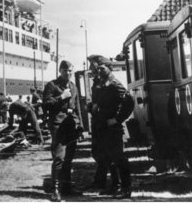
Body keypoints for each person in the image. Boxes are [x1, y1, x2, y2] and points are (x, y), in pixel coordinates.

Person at [43, 60, 84, 201]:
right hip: (58, 124)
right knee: (59, 157)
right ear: (60, 71)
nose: (68, 73)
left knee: (69, 158)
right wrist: (61, 97)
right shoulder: (52, 85)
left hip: (71, 124)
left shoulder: (73, 86)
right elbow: (46, 104)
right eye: (65, 70)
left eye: (70, 70)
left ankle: (66, 187)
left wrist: (81, 126)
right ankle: (55, 189)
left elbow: (78, 106)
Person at [94, 57, 132, 199]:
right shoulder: (104, 83)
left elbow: (129, 101)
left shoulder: (115, 84)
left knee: (119, 158)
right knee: (109, 158)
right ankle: (115, 186)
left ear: (110, 68)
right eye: (98, 68)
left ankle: (126, 188)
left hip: (113, 128)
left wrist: (117, 119)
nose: (99, 70)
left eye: (102, 68)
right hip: (104, 127)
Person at [86, 55, 120, 194]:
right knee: (99, 152)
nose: (91, 69)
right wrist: (91, 106)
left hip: (106, 122)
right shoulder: (98, 81)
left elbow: (118, 102)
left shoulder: (108, 82)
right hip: (98, 121)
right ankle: (100, 181)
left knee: (108, 154)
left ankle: (113, 184)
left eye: (93, 66)